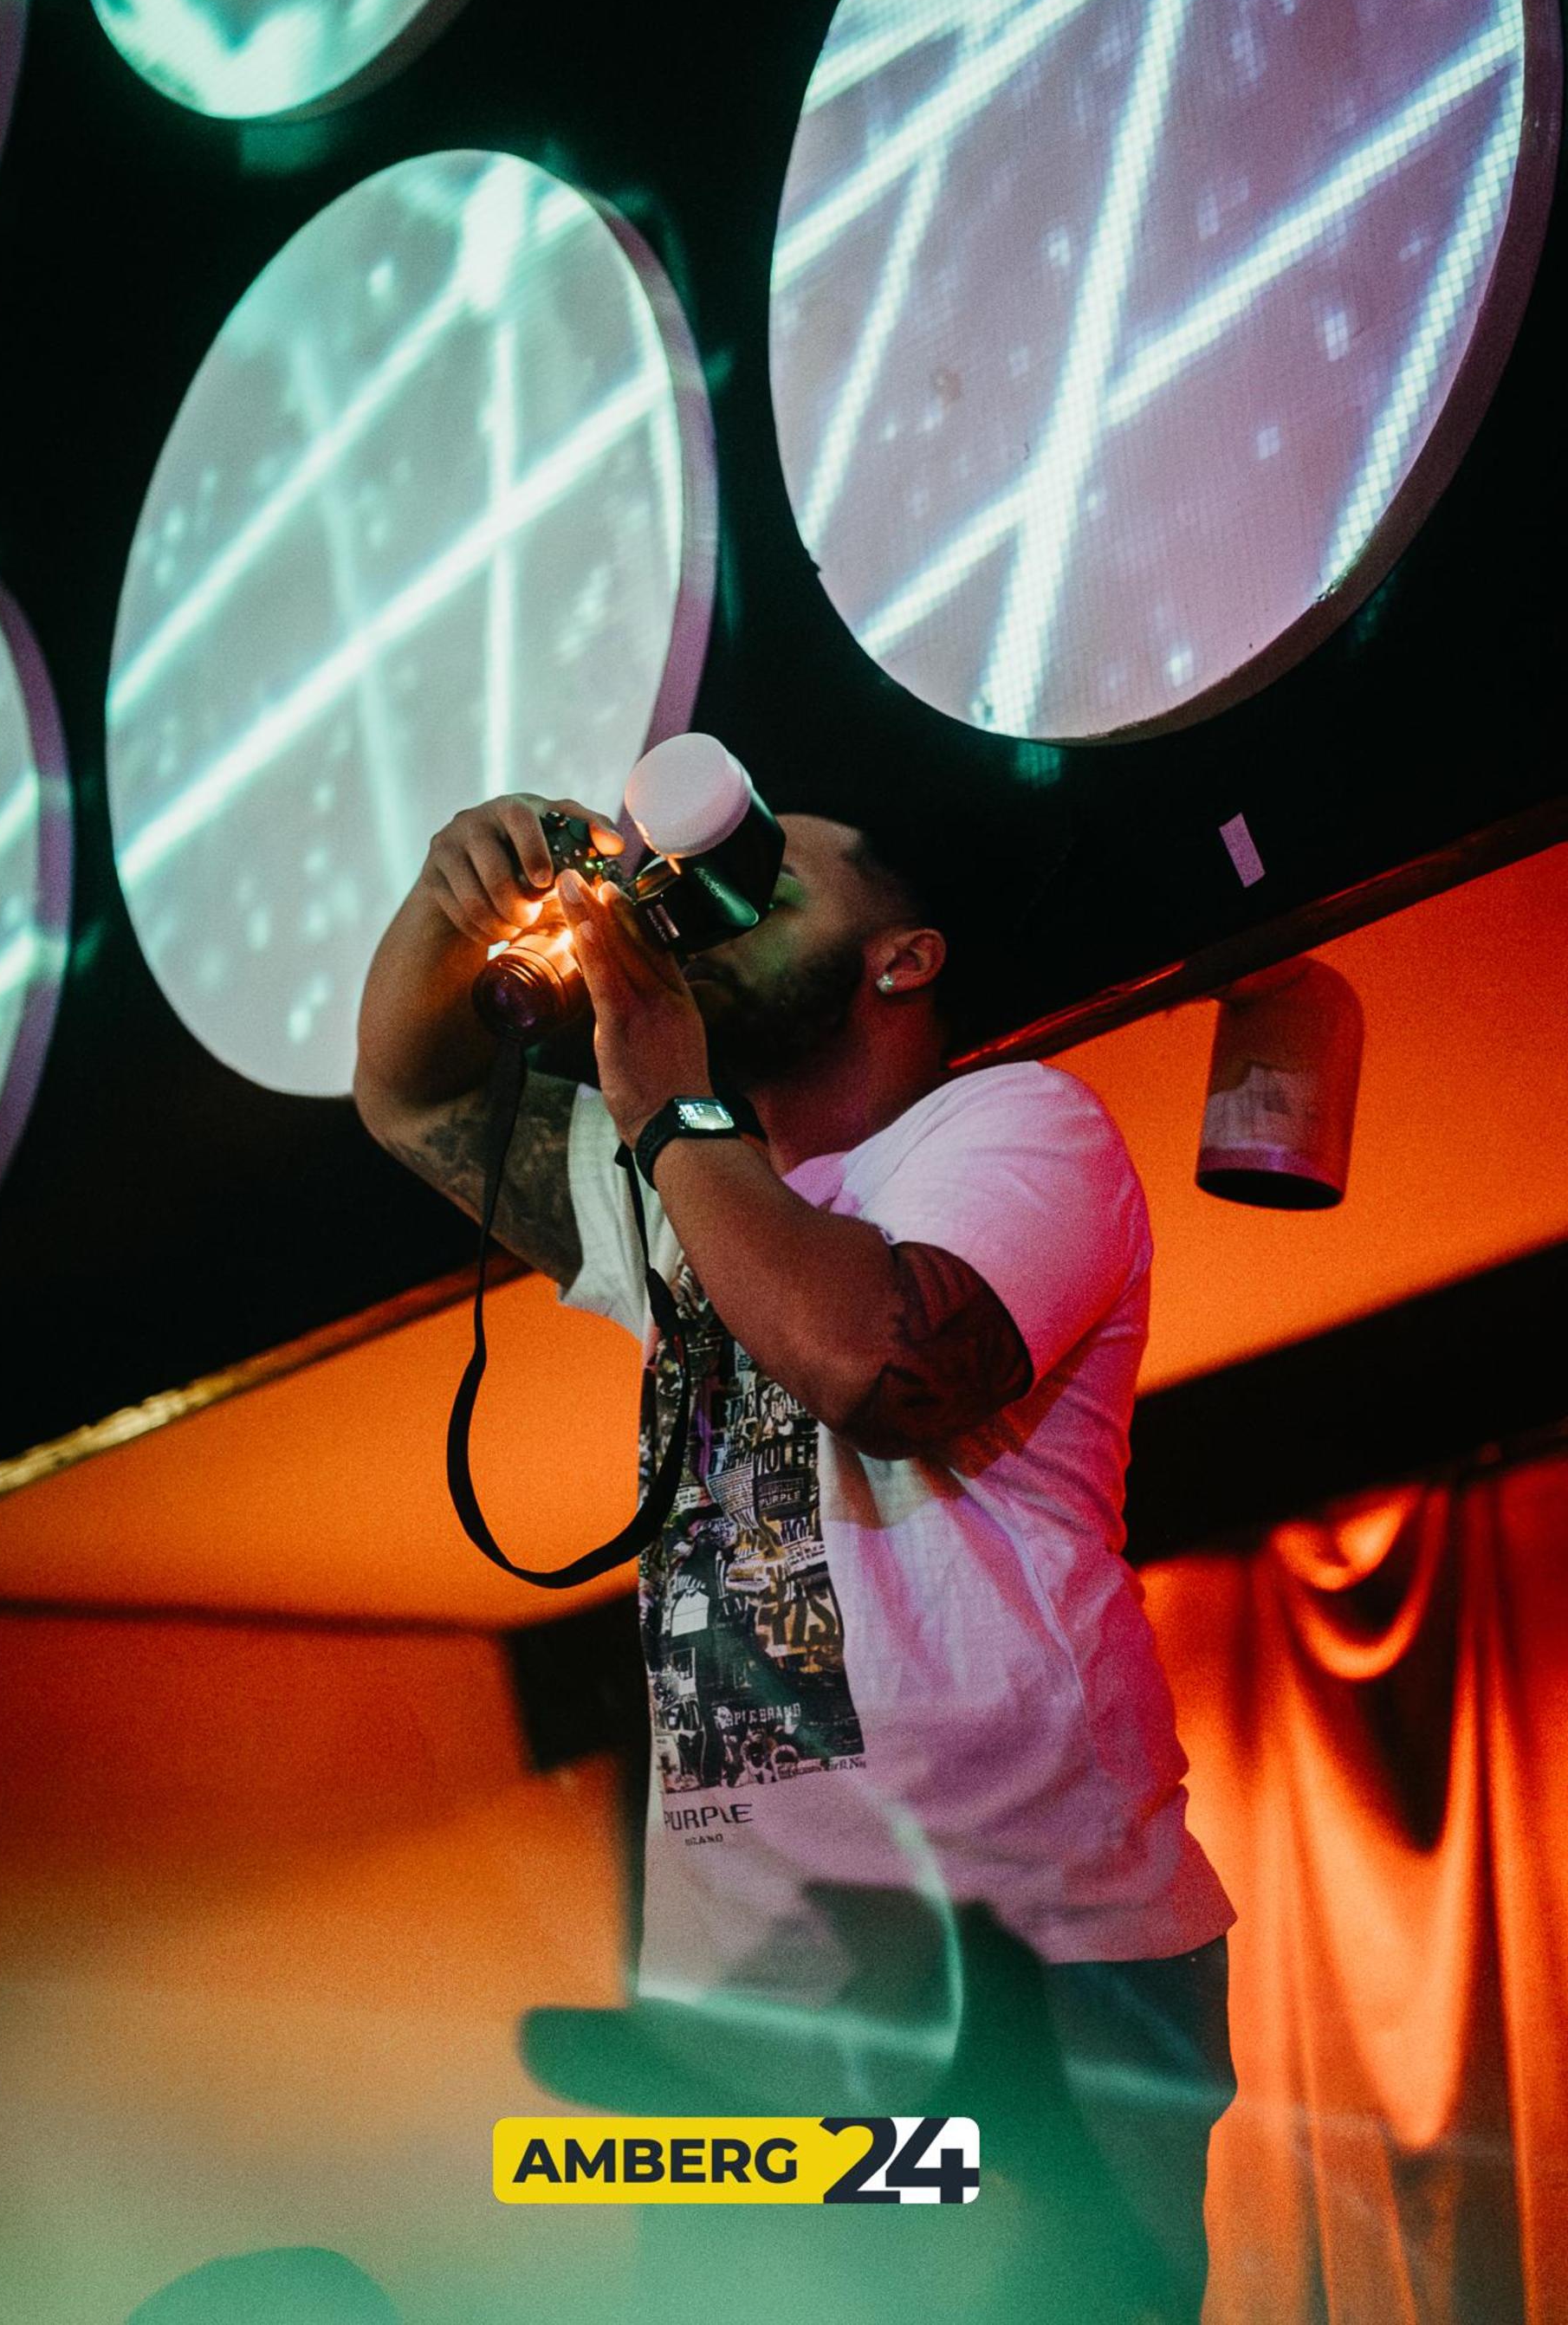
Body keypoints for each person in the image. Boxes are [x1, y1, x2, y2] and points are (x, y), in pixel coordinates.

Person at [353, 788, 1238, 2324]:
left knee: (1018, 2293)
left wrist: (670, 1107)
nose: (703, 903)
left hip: (1035, 1969)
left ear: (904, 957)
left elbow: (869, 1362)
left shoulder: (1017, 1126)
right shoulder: (683, 1187)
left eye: (768, 880)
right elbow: (406, 1094)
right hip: (749, 2026)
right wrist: (453, 896)